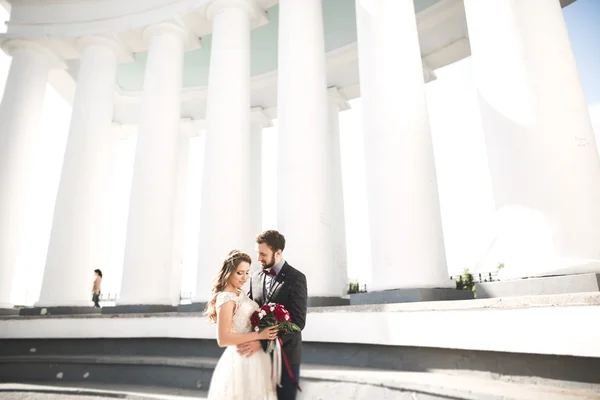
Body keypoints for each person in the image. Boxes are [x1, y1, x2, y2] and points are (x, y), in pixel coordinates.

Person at [239, 230, 308, 400]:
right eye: (257, 253)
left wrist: (263, 343)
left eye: (263, 254)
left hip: (286, 357)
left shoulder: (296, 278)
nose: (258, 259)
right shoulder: (254, 278)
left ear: (278, 253)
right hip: (257, 359)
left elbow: (298, 322)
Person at [206, 250, 279, 400]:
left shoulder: (240, 294)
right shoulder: (226, 298)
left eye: (247, 273)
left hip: (257, 356)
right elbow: (223, 339)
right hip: (241, 358)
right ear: (229, 272)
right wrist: (260, 335)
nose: (245, 278)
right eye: (240, 273)